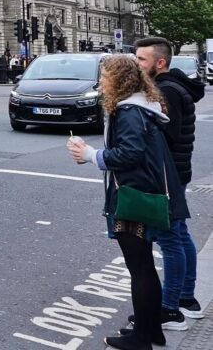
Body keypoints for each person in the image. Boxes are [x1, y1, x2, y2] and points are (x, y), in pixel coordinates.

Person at [67, 55, 188, 350]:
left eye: (105, 76)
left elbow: (130, 154)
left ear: (120, 80)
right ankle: (152, 329)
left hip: (135, 195)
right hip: (145, 191)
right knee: (144, 266)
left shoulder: (129, 111)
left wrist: (90, 155)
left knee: (140, 267)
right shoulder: (142, 106)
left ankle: (141, 338)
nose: (101, 82)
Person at [135, 36, 206, 325]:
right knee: (179, 234)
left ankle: (170, 308)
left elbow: (166, 135)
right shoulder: (173, 86)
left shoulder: (167, 91)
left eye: (142, 59)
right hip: (176, 171)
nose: (137, 64)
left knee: (170, 239)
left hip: (168, 174)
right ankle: (186, 298)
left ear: (160, 62)